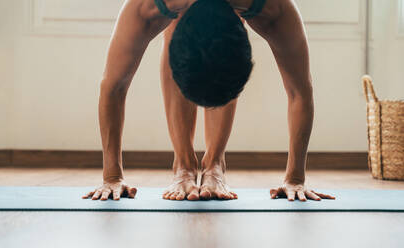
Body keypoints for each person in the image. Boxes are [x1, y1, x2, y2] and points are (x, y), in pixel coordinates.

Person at [82, 0, 335, 202]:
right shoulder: (146, 7)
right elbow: (113, 87)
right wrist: (112, 175)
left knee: (219, 58)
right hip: (178, 15)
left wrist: (295, 177)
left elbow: (299, 91)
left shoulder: (276, 9)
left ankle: (215, 164)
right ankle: (183, 165)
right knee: (183, 35)